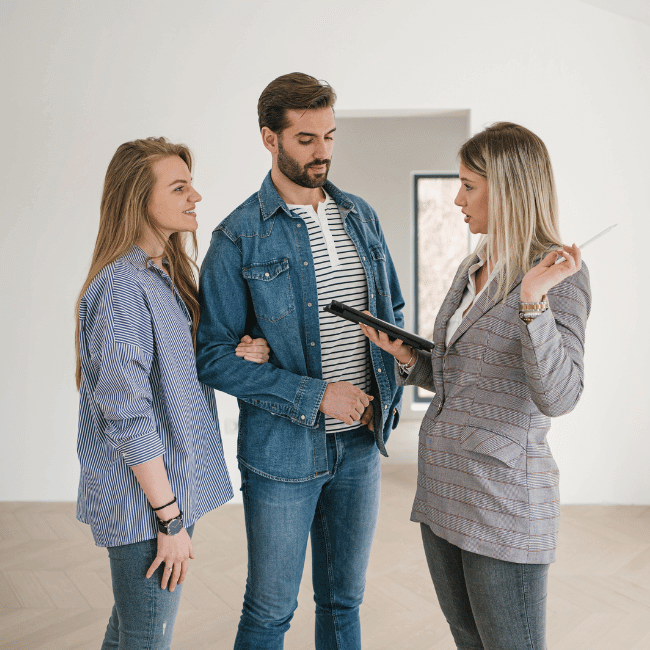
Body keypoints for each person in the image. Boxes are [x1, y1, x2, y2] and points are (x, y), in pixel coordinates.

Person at [360, 122, 591, 650]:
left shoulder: (561, 275)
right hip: (443, 485)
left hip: (501, 497)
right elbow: (457, 378)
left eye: (468, 185)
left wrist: (533, 302)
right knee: (468, 638)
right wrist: (407, 358)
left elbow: (559, 396)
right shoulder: (473, 265)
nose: (456, 197)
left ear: (507, 188)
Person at [196, 72, 405, 649]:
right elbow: (211, 357)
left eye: (331, 137)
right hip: (283, 451)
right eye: (307, 139)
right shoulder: (237, 237)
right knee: (270, 611)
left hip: (360, 445)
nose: (323, 153)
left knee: (343, 604)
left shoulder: (361, 216)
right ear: (270, 138)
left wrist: (396, 374)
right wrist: (316, 396)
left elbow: (393, 312)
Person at [75, 137, 269, 649]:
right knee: (146, 640)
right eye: (179, 187)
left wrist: (237, 353)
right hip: (148, 502)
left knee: (130, 634)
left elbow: (176, 371)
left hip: (163, 492)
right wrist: (170, 518)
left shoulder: (165, 273)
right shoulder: (122, 286)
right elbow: (126, 412)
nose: (196, 197)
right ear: (139, 198)